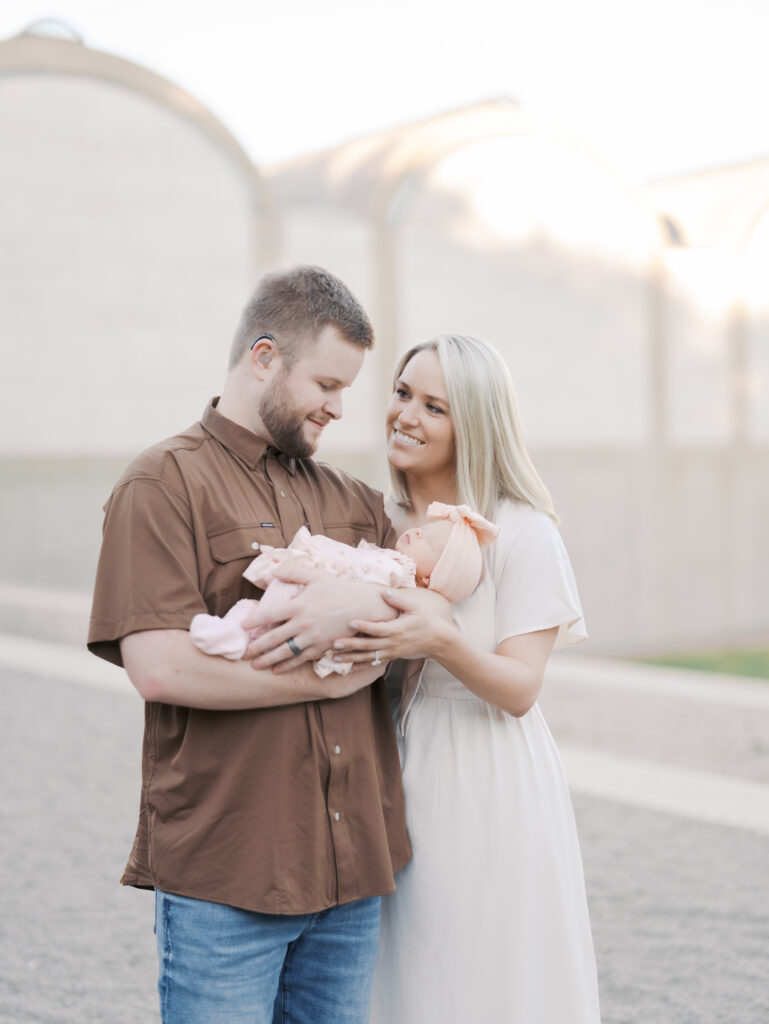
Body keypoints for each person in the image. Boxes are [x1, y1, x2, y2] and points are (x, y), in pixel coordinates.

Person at [86, 265, 414, 1024]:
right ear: (264, 358)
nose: (338, 409)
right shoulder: (162, 484)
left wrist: (359, 600)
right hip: (228, 872)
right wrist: (327, 679)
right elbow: (160, 666)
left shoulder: (349, 499)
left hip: (352, 872)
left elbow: (427, 597)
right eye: (327, 384)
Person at [249, 334, 602, 1022]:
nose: (405, 415)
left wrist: (438, 638)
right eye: (403, 393)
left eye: (434, 406)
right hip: (385, 769)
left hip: (487, 775)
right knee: (404, 976)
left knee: (482, 967)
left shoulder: (520, 531)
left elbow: (519, 688)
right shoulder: (375, 522)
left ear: (472, 424)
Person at [190, 502, 499, 676]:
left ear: (430, 579)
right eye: (424, 529)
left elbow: (354, 576)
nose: (418, 532)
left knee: (270, 619)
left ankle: (238, 641)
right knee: (252, 609)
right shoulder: (388, 554)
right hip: (306, 592)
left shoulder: (396, 572)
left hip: (311, 599)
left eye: (429, 542)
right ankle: (231, 631)